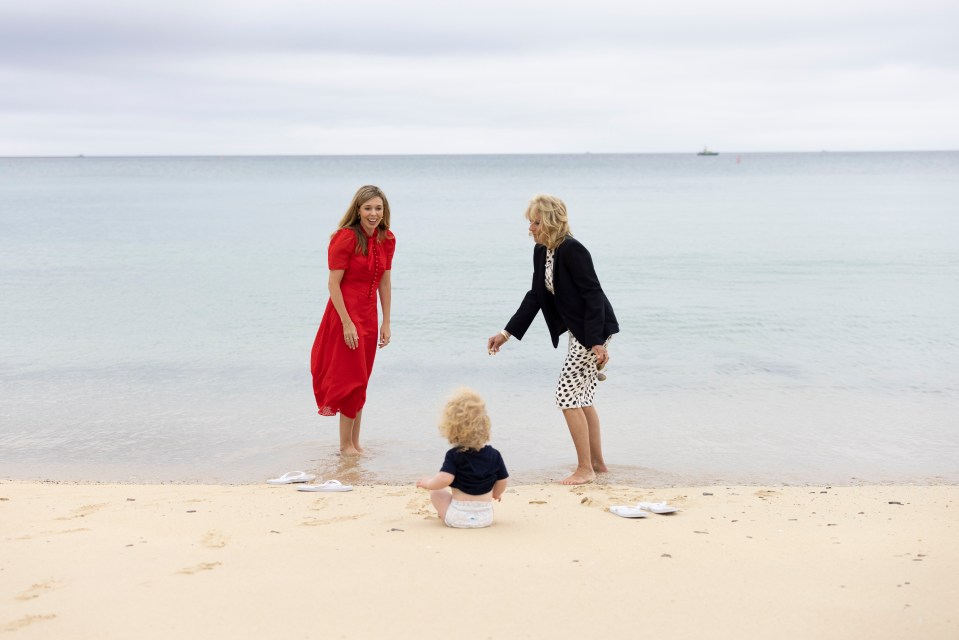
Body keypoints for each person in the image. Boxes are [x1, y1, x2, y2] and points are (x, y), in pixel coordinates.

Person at [487, 194, 619, 485]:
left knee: (566, 394)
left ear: (548, 221)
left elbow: (593, 295)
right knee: (581, 396)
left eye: (535, 222)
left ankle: (585, 469)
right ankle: (597, 464)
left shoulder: (573, 250)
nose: (530, 228)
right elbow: (536, 295)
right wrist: (505, 334)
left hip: (592, 331)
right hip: (580, 331)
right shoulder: (543, 251)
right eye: (530, 222)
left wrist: (596, 341)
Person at [311, 185, 396, 455]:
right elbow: (333, 284)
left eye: (378, 208)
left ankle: (355, 444)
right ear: (357, 211)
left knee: (362, 380)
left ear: (384, 211)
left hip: (369, 317)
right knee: (351, 379)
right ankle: (345, 446)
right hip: (344, 317)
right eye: (368, 208)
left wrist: (386, 321)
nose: (373, 213)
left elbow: (385, 282)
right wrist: (347, 323)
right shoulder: (345, 238)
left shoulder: (387, 238)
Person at [416, 387, 509, 528]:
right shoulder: (494, 455)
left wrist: (428, 484)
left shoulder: (454, 455)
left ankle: (443, 514)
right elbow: (503, 480)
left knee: (437, 493)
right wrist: (496, 493)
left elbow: (444, 479)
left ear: (451, 427)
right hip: (485, 517)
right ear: (485, 425)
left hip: (457, 516)